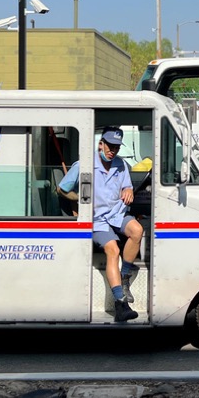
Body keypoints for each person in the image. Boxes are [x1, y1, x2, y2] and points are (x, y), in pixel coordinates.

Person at [57, 127, 144, 322]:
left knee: (137, 230)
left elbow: (126, 185)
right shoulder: (83, 165)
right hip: (97, 221)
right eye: (109, 146)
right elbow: (61, 189)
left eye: (116, 147)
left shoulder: (121, 164)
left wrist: (128, 189)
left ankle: (124, 277)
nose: (112, 150)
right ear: (100, 144)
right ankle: (121, 304)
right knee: (112, 250)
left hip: (116, 214)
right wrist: (80, 199)